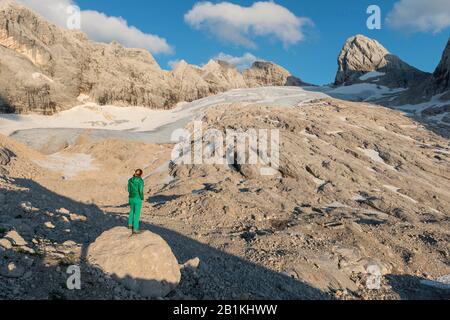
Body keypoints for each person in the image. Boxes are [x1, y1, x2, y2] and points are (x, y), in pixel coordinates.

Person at [128, 169, 144, 234]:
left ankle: (129, 225)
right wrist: (142, 197)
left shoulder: (130, 180)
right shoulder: (140, 181)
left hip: (131, 198)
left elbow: (129, 189)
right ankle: (135, 229)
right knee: (137, 214)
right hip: (137, 198)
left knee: (132, 210)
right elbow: (140, 190)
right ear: (140, 174)